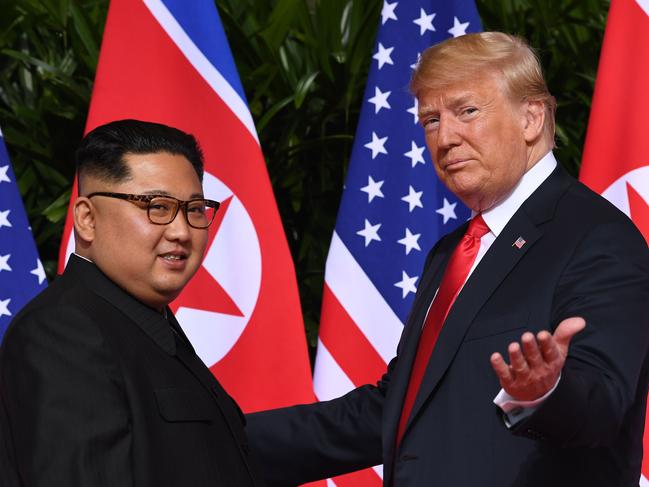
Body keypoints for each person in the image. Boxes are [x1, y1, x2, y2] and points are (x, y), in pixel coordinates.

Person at [246, 32, 649, 486]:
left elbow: (603, 404)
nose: (445, 137)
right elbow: (399, 408)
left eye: (467, 111)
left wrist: (546, 392)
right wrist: (220, 440)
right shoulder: (451, 250)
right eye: (430, 120)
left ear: (531, 117)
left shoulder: (597, 237)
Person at [0, 119, 265, 486]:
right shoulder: (62, 331)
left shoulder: (140, 318)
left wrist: (368, 416)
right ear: (87, 219)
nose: (181, 231)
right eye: (156, 207)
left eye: (194, 209)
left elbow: (222, 450)